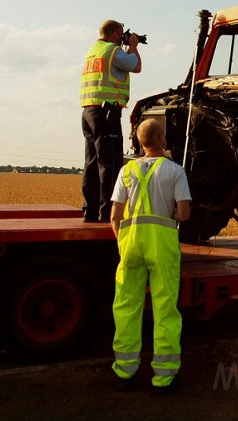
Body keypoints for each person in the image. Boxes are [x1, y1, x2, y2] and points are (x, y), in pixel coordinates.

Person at [110, 118, 192, 395]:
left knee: (125, 306)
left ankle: (124, 372)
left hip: (130, 244)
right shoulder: (175, 171)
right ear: (161, 140)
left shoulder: (126, 171)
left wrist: (123, 242)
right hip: (161, 246)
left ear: (139, 142)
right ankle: (164, 378)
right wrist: (172, 215)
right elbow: (184, 212)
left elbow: (114, 216)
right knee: (165, 310)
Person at [80, 20, 142, 222]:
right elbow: (136, 66)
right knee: (110, 164)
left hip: (89, 111)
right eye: (122, 34)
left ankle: (90, 211)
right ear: (115, 33)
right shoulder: (113, 51)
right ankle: (106, 213)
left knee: (91, 163)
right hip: (107, 114)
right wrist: (132, 46)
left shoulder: (93, 51)